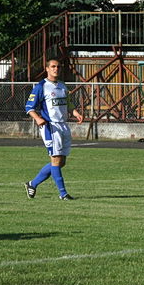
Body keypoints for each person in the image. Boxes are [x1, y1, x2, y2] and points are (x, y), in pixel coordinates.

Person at [23, 59, 84, 200]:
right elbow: (29, 107)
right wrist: (38, 118)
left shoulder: (62, 86)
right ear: (47, 69)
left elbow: (68, 103)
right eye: (53, 66)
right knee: (55, 159)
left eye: (58, 66)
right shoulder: (41, 86)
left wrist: (75, 112)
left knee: (61, 162)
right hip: (50, 127)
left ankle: (32, 184)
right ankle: (63, 194)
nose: (56, 69)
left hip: (63, 125)